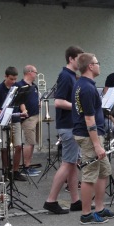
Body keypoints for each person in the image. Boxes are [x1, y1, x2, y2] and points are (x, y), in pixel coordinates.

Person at [72, 52, 114, 224]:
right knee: (90, 174)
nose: (99, 65)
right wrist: (97, 145)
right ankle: (85, 214)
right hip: (90, 136)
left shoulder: (84, 84)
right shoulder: (88, 88)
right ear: (90, 66)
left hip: (93, 135)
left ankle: (99, 208)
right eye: (97, 62)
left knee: (104, 171)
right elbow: (89, 119)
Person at [43, 45, 83, 215]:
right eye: (79, 59)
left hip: (71, 124)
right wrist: (79, 107)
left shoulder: (72, 76)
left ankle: (75, 201)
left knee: (72, 164)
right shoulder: (65, 76)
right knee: (67, 163)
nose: (82, 62)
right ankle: (51, 200)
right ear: (71, 59)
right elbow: (58, 102)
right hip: (68, 126)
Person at [0, 66, 27, 181]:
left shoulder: (17, 87)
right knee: (4, 148)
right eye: (11, 79)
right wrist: (1, 112)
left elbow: (21, 102)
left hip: (15, 120)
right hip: (2, 121)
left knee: (18, 146)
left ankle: (15, 171)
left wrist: (24, 111)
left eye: (15, 79)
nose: (13, 81)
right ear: (5, 76)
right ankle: (5, 171)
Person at [17, 65, 40, 177]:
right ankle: (26, 167)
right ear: (29, 72)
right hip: (28, 117)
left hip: (36, 116)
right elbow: (20, 100)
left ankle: (29, 165)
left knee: (33, 142)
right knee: (29, 142)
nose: (36, 74)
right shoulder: (20, 85)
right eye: (35, 72)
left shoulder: (34, 86)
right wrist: (24, 110)